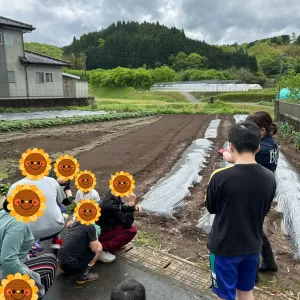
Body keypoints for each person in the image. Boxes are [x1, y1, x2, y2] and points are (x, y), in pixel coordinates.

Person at [207, 122, 276, 300]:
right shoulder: (269, 178)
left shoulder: (219, 177)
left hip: (224, 247)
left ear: (231, 146)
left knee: (224, 295)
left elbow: (212, 208)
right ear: (258, 147)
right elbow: (265, 209)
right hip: (252, 246)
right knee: (245, 291)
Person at [219, 111, 279, 274]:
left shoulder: (261, 149)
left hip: (254, 192)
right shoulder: (271, 143)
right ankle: (268, 261)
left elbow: (236, 158)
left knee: (248, 230)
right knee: (255, 227)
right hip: (264, 189)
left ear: (261, 130)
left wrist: (225, 153)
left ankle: (252, 271)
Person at [0, 199, 57, 299]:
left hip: (7, 263)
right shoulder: (18, 224)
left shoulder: (3, 213)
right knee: (49, 262)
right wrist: (31, 279)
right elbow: (8, 260)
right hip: (5, 270)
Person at [8, 176, 66, 250]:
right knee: (63, 208)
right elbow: (61, 201)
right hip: (55, 228)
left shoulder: (14, 186)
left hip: (29, 232)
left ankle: (31, 245)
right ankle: (56, 240)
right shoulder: (52, 181)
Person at [96, 190, 141, 263]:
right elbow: (127, 222)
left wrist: (133, 207)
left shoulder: (112, 194)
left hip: (105, 226)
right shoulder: (109, 204)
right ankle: (100, 248)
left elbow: (119, 210)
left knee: (124, 225)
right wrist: (131, 204)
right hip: (100, 232)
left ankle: (103, 245)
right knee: (131, 231)